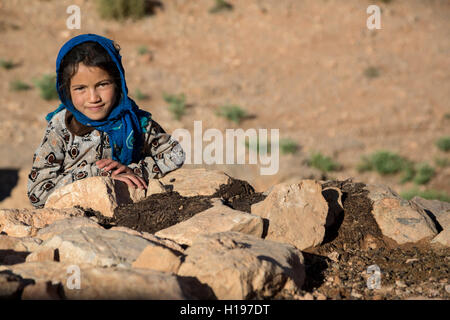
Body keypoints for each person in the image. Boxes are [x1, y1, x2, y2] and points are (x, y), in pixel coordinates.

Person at [27, 34, 185, 208]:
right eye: (80, 88)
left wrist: (134, 170)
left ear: (118, 82)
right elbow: (38, 194)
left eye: (102, 84)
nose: (93, 98)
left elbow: (175, 154)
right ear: (66, 91)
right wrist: (96, 174)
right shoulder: (61, 129)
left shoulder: (135, 121)